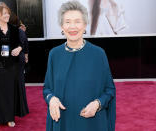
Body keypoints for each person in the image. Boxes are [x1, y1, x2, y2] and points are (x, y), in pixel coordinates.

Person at [43, 1, 116, 131]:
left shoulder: (98, 54)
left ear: (85, 24)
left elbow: (109, 90)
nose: (72, 27)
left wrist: (98, 104)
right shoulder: (54, 54)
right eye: (67, 22)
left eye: (77, 21)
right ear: (61, 26)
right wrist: (51, 99)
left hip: (92, 124)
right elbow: (47, 89)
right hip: (63, 122)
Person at [0, 2, 22, 127]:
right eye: (4, 13)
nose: (7, 15)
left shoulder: (13, 29)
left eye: (8, 13)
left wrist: (19, 49)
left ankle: (9, 118)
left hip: (11, 66)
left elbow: (19, 44)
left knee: (9, 93)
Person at [9, 12, 29, 117]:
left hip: (13, 60)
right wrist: (26, 56)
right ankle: (22, 109)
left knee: (13, 84)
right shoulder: (21, 31)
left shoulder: (13, 31)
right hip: (19, 59)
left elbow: (23, 45)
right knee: (20, 83)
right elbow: (25, 44)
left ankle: (16, 109)